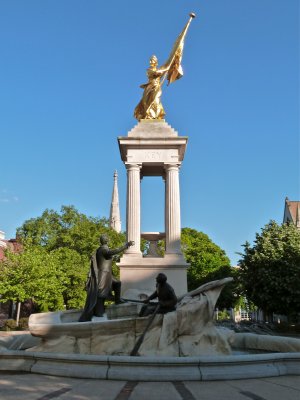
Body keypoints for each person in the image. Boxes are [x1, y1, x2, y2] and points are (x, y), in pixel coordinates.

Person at [79, 235, 134, 322]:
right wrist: (126, 245)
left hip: (107, 274)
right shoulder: (103, 249)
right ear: (105, 241)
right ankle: (98, 312)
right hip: (103, 274)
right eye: (106, 239)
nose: (107, 239)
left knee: (117, 283)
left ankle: (117, 300)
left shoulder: (103, 249)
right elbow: (112, 252)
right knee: (101, 293)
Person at [134, 55, 169, 121]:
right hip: (149, 87)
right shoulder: (149, 70)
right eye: (150, 60)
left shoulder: (160, 69)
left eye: (152, 60)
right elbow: (155, 73)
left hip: (156, 87)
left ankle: (154, 116)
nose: (151, 61)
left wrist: (167, 67)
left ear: (156, 62)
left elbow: (166, 65)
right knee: (146, 102)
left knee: (156, 100)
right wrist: (165, 69)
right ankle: (148, 115)